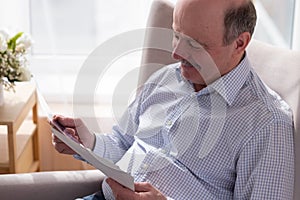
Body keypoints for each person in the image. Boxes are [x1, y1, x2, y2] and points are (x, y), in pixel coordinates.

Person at [52, 0, 295, 199]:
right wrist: (88, 142)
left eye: (194, 44)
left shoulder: (267, 123)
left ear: (239, 43)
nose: (176, 53)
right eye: (177, 35)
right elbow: (123, 143)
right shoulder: (166, 77)